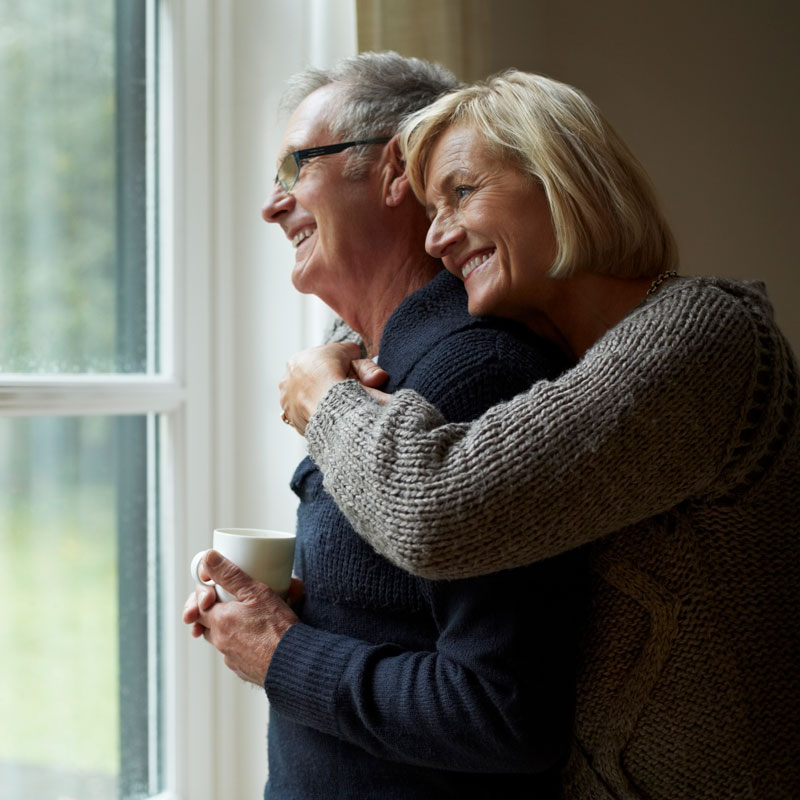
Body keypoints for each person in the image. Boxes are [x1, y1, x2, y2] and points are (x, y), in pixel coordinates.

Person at [278, 70, 800, 799]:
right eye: (430, 209)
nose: (439, 235)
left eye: (461, 193)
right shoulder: (563, 364)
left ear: (564, 179)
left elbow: (438, 512)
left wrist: (325, 395)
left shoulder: (705, 338)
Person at [184, 54, 585, 799]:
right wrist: (287, 616)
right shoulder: (372, 368)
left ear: (397, 169)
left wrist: (282, 653)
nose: (273, 208)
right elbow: (404, 620)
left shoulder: (473, 377)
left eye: (296, 169)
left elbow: (504, 714)